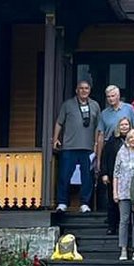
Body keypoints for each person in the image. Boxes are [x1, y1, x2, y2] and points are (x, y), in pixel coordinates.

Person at [52, 78, 98, 212]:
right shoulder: (68, 104)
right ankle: (62, 202)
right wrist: (55, 139)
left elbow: (98, 127)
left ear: (89, 91)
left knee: (87, 177)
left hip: (88, 148)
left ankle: (84, 203)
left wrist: (96, 144)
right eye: (81, 88)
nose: (84, 91)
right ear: (76, 90)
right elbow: (59, 123)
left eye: (86, 88)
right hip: (69, 146)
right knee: (64, 175)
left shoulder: (95, 105)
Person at [112, 129, 134, 263]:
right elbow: (116, 173)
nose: (133, 139)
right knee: (124, 220)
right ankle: (124, 249)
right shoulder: (121, 153)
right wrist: (115, 192)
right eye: (130, 137)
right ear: (127, 139)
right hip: (124, 191)